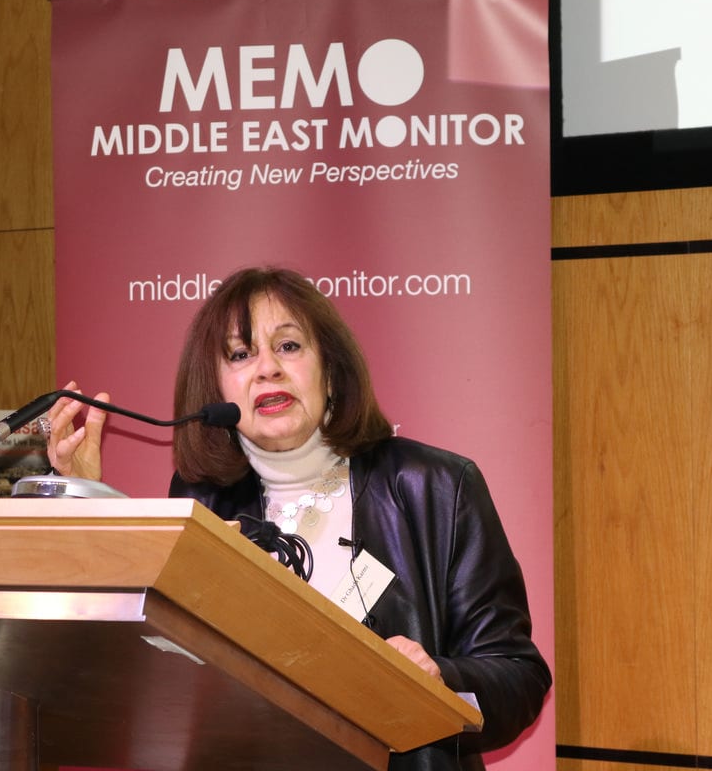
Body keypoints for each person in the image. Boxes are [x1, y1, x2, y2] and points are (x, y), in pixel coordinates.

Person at [45, 266, 551, 771]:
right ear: (217, 388)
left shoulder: (435, 487)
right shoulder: (203, 500)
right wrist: (89, 497)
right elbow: (152, 659)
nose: (267, 369)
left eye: (288, 347)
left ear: (330, 370)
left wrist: (438, 679)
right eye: (241, 355)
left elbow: (519, 676)